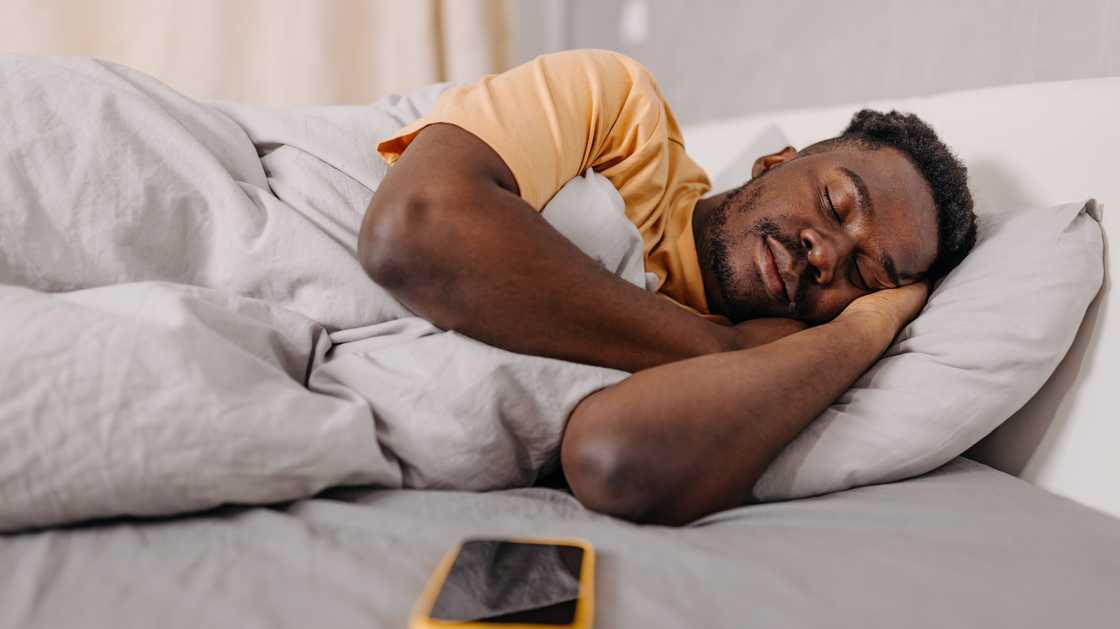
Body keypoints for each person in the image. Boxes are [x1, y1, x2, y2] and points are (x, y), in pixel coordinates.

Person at [358, 49, 977, 526]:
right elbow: (412, 228)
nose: (828, 255)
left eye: (865, 275)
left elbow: (619, 462)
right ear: (775, 161)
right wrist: (723, 355)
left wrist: (865, 327)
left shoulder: (778, 345)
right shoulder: (623, 113)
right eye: (836, 204)